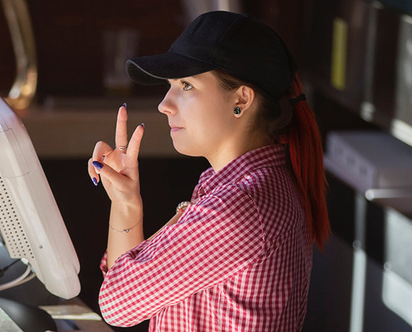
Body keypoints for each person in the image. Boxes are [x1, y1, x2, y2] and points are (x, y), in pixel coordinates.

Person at [87, 11, 330, 331]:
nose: (164, 104)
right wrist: (125, 203)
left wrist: (128, 209)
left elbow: (118, 305)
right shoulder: (247, 185)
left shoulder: (237, 207)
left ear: (241, 99)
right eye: (170, 85)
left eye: (186, 85)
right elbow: (130, 298)